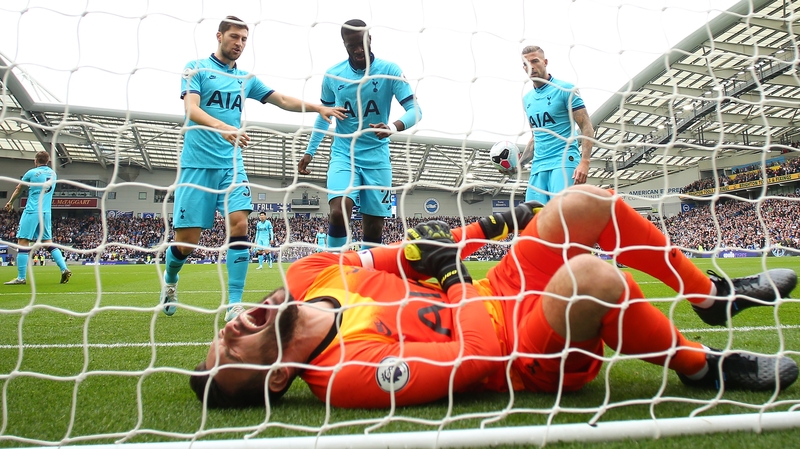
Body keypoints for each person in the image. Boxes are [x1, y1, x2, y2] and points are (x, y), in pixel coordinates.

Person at [190, 185, 798, 409]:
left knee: (583, 203)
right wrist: (455, 279)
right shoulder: (345, 374)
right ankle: (701, 367)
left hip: (493, 287)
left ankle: (710, 296)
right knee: (595, 278)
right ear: (274, 381)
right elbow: (477, 355)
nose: (226, 334)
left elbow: (411, 253)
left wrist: (487, 230)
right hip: (520, 349)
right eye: (229, 357)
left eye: (216, 341)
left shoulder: (311, 273)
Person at [161, 16, 346, 322]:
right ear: (219, 36)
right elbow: (191, 109)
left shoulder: (245, 78)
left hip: (231, 164)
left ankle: (234, 303)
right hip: (196, 165)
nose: (239, 43)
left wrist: (319, 108)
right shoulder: (196, 68)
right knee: (186, 243)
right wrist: (224, 127)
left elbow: (281, 99)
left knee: (239, 226)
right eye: (234, 37)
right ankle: (171, 280)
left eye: (244, 39)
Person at [298, 19, 422, 250]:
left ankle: (366, 276)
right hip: (344, 154)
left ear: (370, 40)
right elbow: (324, 115)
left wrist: (393, 127)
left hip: (377, 158)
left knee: (373, 228)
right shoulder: (334, 76)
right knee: (338, 212)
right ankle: (335, 268)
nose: (357, 50)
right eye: (351, 45)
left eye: (361, 43)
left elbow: (416, 110)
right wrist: (309, 151)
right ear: (344, 44)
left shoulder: (389, 71)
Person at [517, 46, 595, 204]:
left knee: (561, 217)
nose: (531, 66)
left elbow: (586, 126)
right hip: (538, 167)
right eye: (526, 63)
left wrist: (585, 162)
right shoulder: (527, 99)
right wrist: (519, 164)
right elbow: (535, 137)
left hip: (564, 161)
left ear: (545, 62)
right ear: (523, 67)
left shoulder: (565, 89)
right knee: (533, 221)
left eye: (535, 61)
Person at [4, 151, 72, 286]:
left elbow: (19, 188)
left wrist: (10, 202)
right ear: (47, 161)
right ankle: (64, 268)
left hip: (32, 210)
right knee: (48, 242)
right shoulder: (53, 174)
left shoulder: (31, 173)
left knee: (23, 242)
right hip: (46, 212)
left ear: (36, 161)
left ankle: (21, 277)